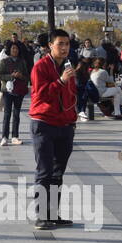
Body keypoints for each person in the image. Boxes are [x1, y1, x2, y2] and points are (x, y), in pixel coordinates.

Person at [28, 29, 78, 231]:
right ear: (50, 45)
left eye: (67, 44)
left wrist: (72, 119)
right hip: (44, 123)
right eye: (60, 44)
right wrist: (60, 81)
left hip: (64, 125)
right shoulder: (40, 67)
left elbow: (71, 94)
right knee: (45, 171)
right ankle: (41, 215)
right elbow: (40, 96)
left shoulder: (67, 66)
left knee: (58, 172)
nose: (65, 48)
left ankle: (53, 214)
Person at [0, 42, 28, 145]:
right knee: (7, 113)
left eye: (17, 49)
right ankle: (4, 137)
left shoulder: (22, 62)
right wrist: (11, 76)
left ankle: (15, 136)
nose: (15, 50)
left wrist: (20, 76)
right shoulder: (4, 61)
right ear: (9, 50)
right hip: (7, 90)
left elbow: (27, 77)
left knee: (16, 114)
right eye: (13, 48)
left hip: (19, 90)